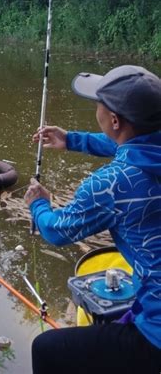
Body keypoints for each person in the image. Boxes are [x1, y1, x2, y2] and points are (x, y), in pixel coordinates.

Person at [24, 65, 161, 374]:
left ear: (113, 120)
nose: (95, 108)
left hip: (156, 333)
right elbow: (132, 144)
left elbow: (57, 231)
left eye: (99, 103)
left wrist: (40, 205)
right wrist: (72, 140)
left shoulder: (109, 185)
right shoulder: (148, 143)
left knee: (46, 349)